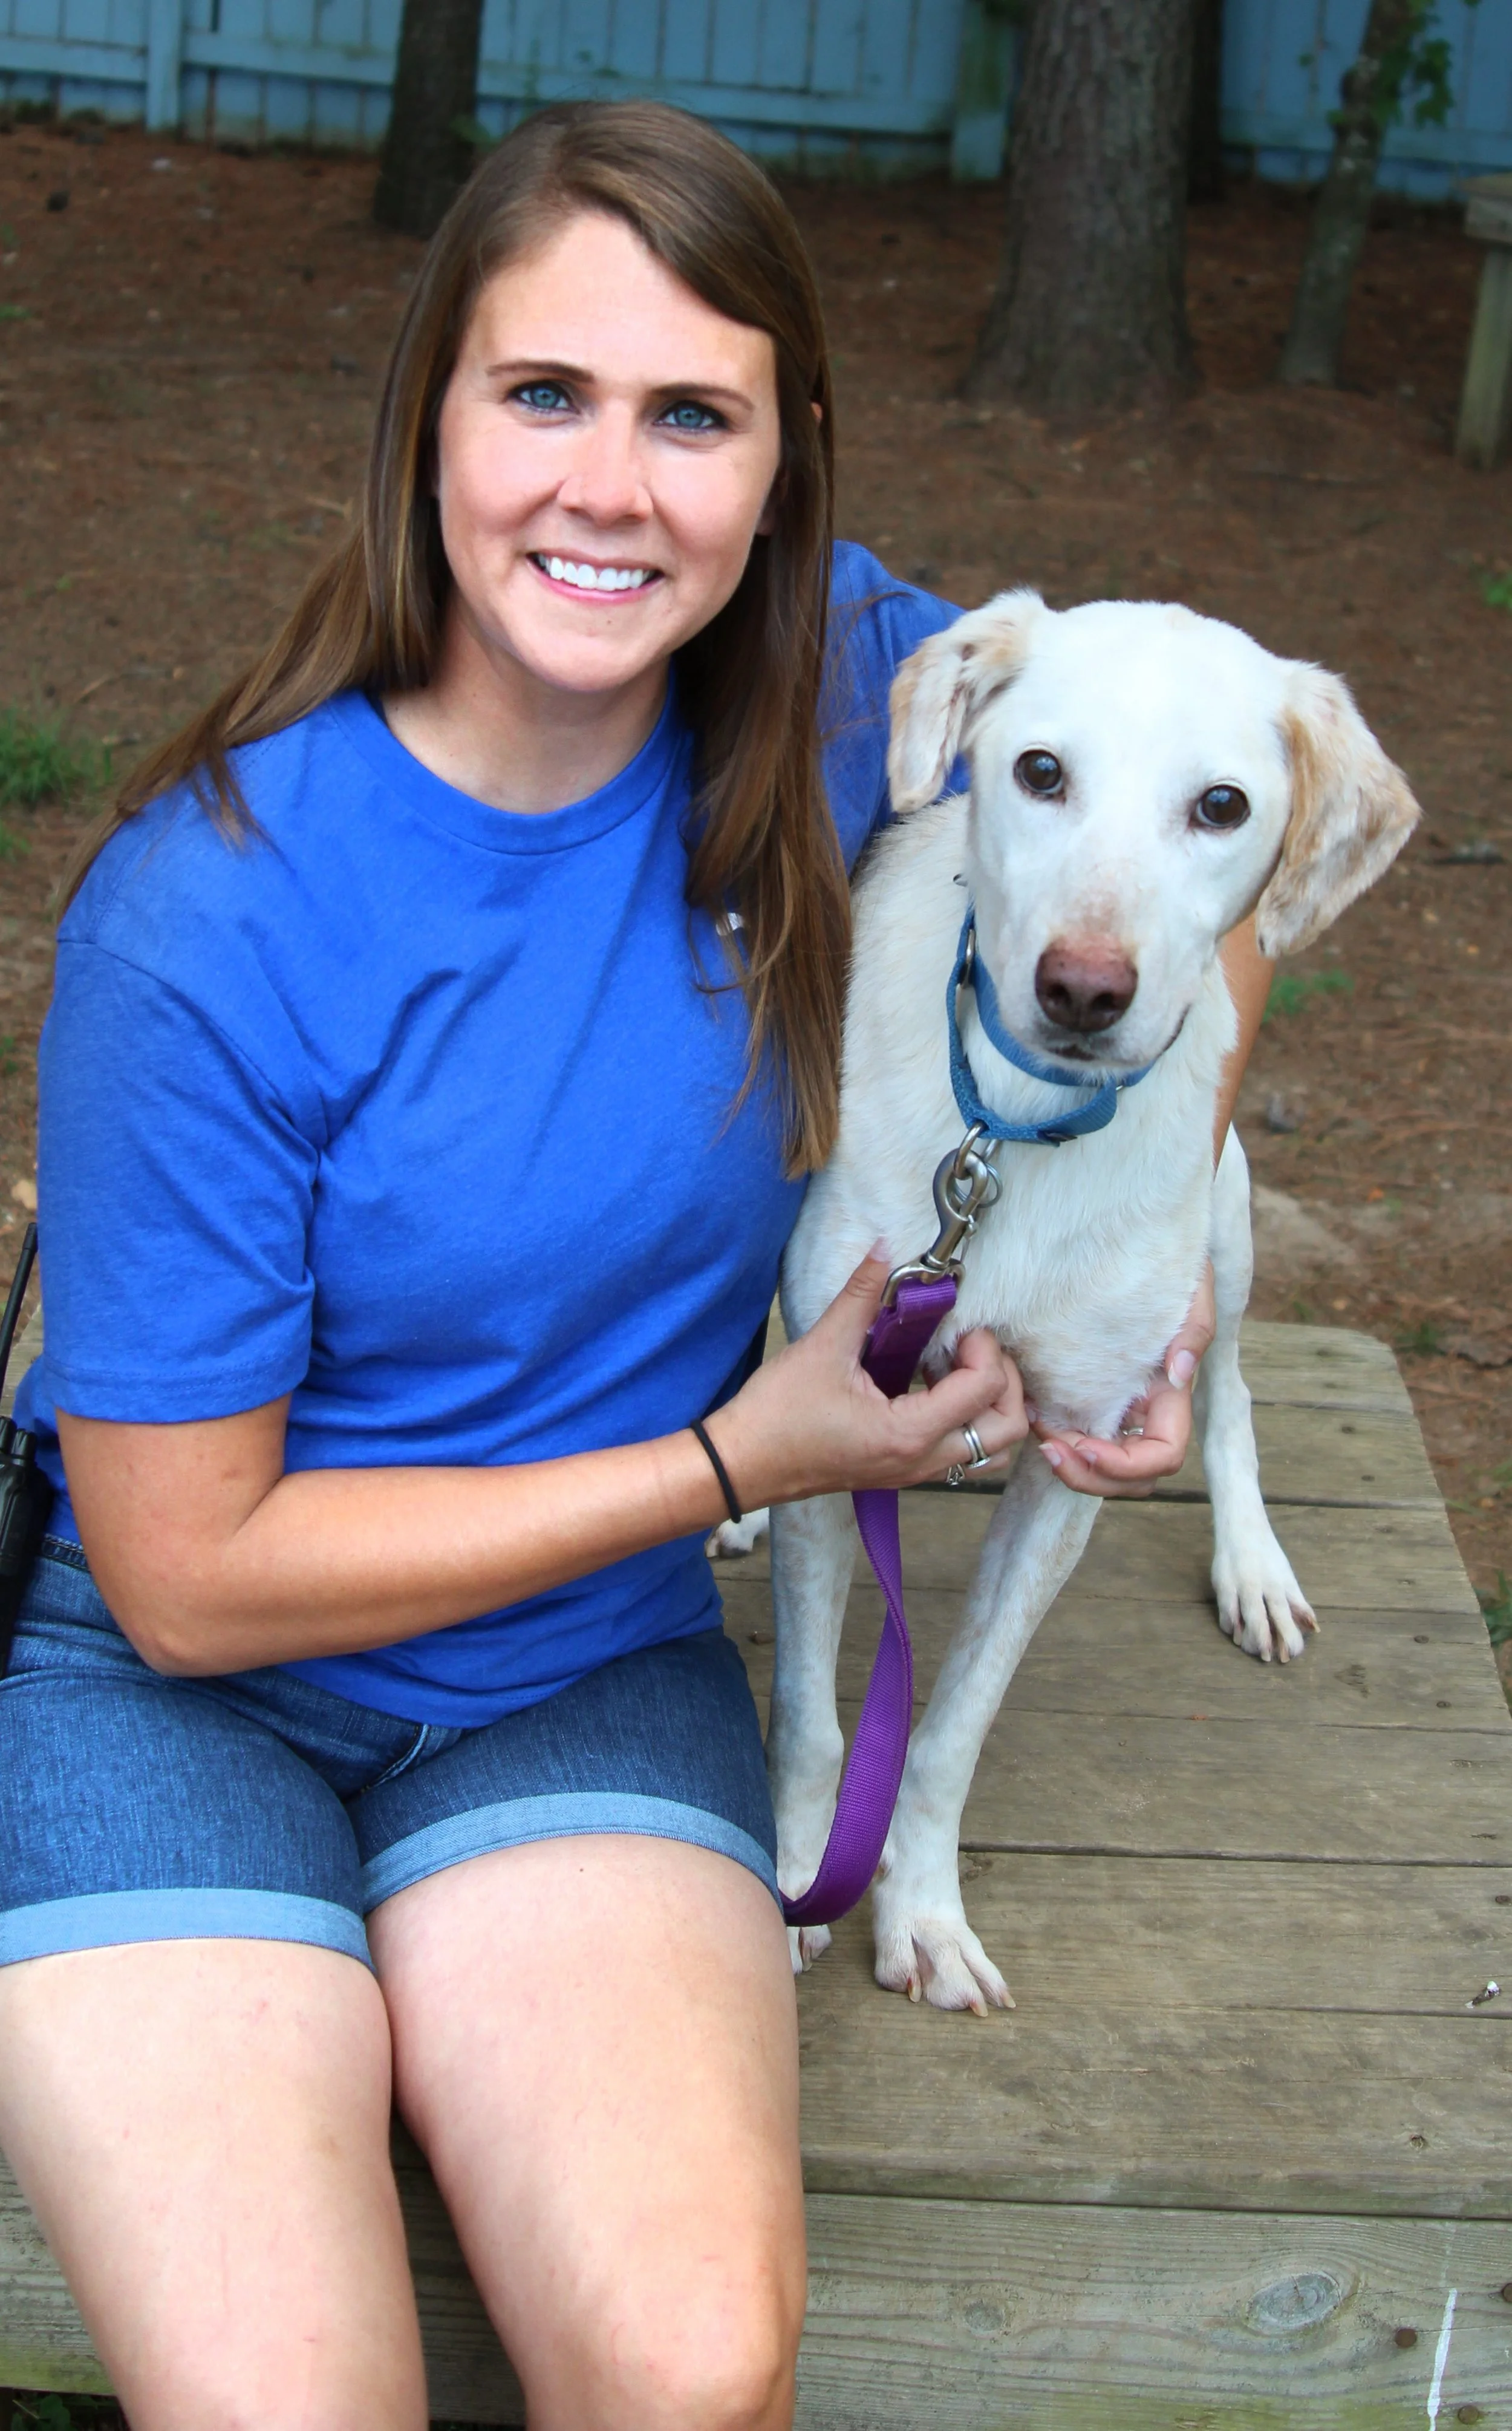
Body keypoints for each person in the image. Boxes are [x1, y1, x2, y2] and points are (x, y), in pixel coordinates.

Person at [0, 103, 1266, 2431]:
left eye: (693, 413)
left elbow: (1197, 828)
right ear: (429, 423)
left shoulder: (862, 682)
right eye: (542, 394)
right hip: (187, 1695)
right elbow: (184, 1578)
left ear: (783, 470)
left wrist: (1153, 1258)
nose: (614, 486)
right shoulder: (210, 916)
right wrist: (725, 1458)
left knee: (689, 2369)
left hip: (570, 1677)